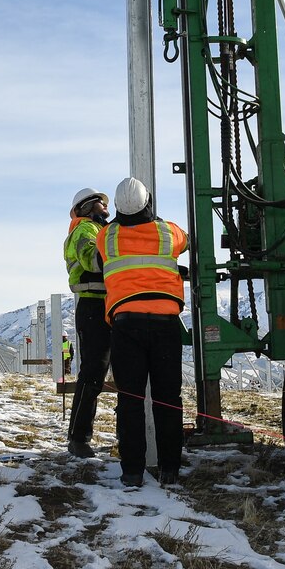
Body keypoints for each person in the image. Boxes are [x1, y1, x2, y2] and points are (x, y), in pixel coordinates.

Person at [97, 176, 187, 488]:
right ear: (148, 202)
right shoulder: (168, 232)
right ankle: (170, 470)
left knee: (131, 399)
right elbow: (184, 241)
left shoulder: (107, 237)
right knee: (167, 399)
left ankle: (132, 472)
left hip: (126, 325)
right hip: (165, 324)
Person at [63, 187, 112, 458]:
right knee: (93, 373)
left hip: (109, 305)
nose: (106, 209)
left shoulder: (100, 232)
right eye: (100, 205)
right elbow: (95, 263)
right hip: (93, 307)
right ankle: (78, 438)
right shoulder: (84, 232)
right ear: (87, 208)